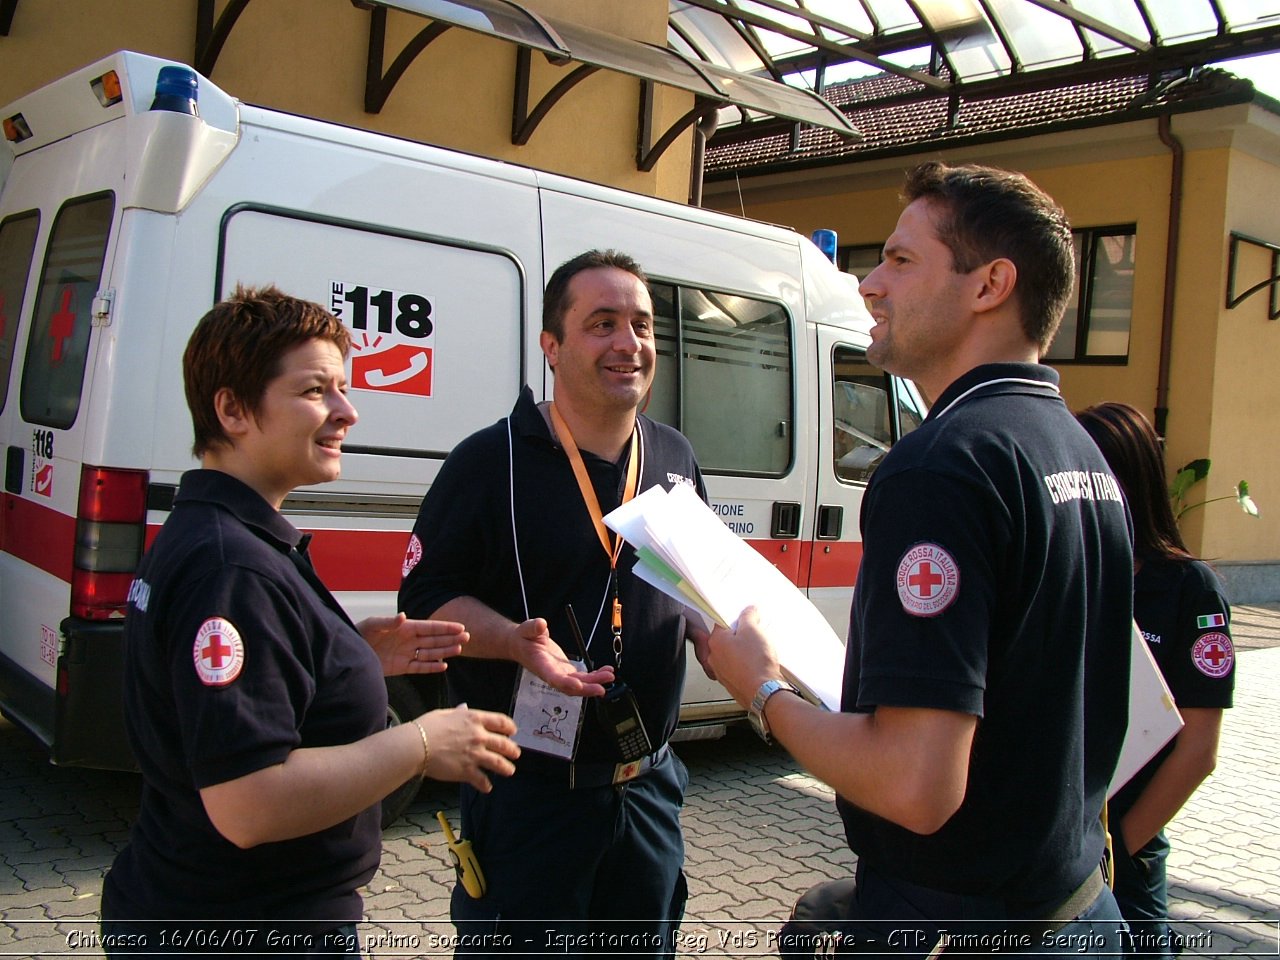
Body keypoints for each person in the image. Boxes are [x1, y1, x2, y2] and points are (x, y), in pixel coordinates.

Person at [699, 161, 1135, 957]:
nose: (869, 284)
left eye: (902, 260)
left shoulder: (944, 465)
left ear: (989, 285)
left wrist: (757, 689)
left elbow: (916, 786)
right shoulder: (1077, 449)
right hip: (1077, 909)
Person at [99, 286, 521, 957]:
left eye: (344, 389)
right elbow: (248, 805)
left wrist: (340, 658)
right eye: (316, 391)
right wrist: (420, 741)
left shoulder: (227, 538)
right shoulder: (229, 568)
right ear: (232, 409)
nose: (347, 411)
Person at [398, 249, 706, 955]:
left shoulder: (674, 457)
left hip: (647, 786)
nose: (628, 343)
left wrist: (704, 626)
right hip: (530, 798)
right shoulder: (488, 461)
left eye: (641, 324)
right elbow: (425, 603)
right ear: (552, 345)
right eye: (602, 323)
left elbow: (684, 579)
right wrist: (512, 640)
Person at [1076, 402, 1235, 958]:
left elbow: (1198, 749)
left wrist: (1123, 841)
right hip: (1054, 844)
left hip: (1125, 847)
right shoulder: (1074, 569)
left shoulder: (1191, 591)